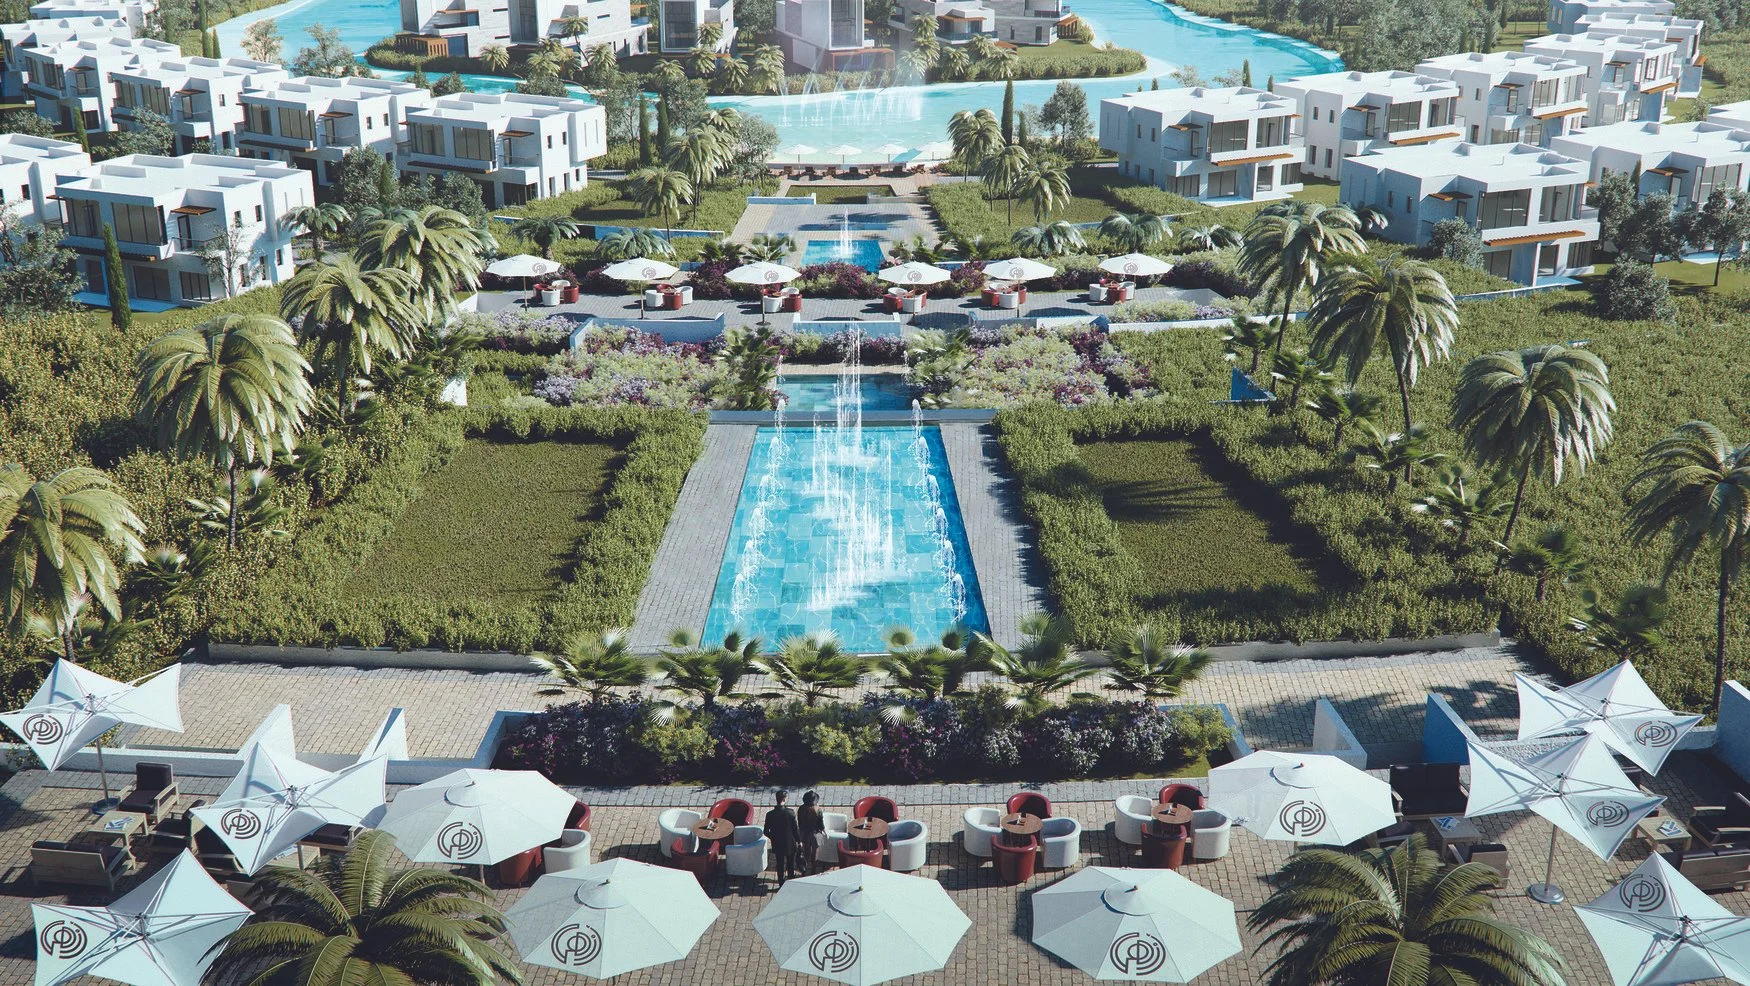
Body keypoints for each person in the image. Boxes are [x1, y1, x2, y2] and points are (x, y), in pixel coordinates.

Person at [764, 789, 802, 884]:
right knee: (790, 864)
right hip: (790, 842)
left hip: (777, 843)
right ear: (785, 799)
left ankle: (781, 881)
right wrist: (799, 840)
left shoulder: (770, 814)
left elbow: (766, 831)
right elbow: (795, 829)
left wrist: (773, 837)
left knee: (780, 864)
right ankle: (791, 881)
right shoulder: (790, 812)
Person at [797, 790, 825, 874]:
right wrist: (823, 830)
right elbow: (821, 823)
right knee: (815, 852)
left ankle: (804, 869)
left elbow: (800, 822)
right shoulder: (818, 810)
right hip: (815, 833)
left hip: (805, 833)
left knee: (806, 851)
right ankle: (813, 870)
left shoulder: (801, 809)